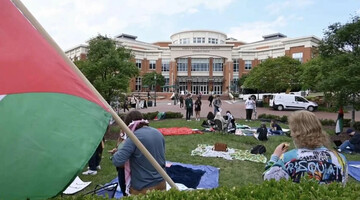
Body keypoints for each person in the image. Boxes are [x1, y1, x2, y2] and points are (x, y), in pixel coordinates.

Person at [264, 110, 348, 185]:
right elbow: (343, 184)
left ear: (297, 133)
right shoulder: (340, 158)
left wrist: (275, 157)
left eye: (292, 131)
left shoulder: (287, 158)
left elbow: (269, 181)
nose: (291, 134)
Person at [112, 110, 166, 195]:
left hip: (143, 188)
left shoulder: (134, 138)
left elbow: (117, 161)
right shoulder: (157, 132)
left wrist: (117, 152)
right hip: (161, 182)